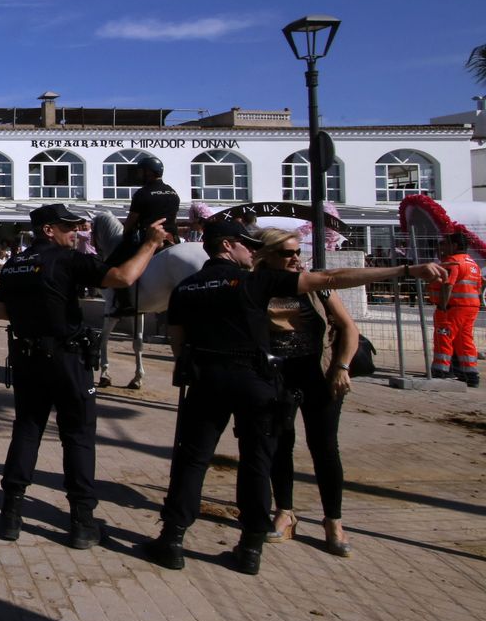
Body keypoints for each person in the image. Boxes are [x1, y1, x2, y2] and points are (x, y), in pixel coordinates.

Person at [144, 219, 443, 575]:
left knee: (193, 460)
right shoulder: (254, 281)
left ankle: (173, 540)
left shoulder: (186, 287)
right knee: (256, 461)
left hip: (207, 380)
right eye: (246, 244)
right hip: (255, 381)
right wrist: (406, 270)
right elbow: (331, 278)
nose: (252, 251)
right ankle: (250, 547)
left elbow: (178, 343)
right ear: (226, 245)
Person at [0, 203, 170, 548]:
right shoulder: (67, 259)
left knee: (27, 430)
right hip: (67, 359)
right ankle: (82, 522)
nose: (76, 232)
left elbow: (1, 311)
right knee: (78, 436)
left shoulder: (15, 263)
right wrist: (150, 244)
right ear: (49, 230)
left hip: (28, 358)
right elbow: (123, 277)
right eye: (68, 227)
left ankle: (11, 515)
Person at [255, 229, 359, 557]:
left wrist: (341, 366)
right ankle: (285, 512)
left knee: (325, 447)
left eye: (297, 252)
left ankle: (333, 521)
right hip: (277, 377)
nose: (295, 258)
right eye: (287, 253)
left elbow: (349, 328)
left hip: (320, 376)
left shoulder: (316, 285)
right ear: (266, 255)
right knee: (280, 445)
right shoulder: (256, 286)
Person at [106, 156, 181, 318]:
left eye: (140, 172)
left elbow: (132, 220)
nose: (138, 175)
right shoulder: (173, 192)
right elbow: (173, 218)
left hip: (148, 237)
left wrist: (125, 233)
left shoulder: (142, 193)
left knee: (114, 265)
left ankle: (125, 304)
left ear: (149, 172)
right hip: (171, 237)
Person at [430, 231, 481, 386]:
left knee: (444, 336)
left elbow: (448, 284)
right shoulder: (473, 264)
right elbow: (478, 287)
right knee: (465, 340)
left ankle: (441, 370)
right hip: (470, 307)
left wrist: (442, 306)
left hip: (453, 307)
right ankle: (470, 374)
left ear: (454, 245)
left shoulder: (453, 262)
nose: (443, 247)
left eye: (446, 244)